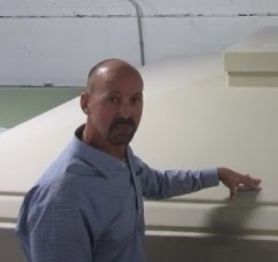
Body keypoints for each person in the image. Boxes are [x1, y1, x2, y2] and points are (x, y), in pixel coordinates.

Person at [15, 58, 262, 262]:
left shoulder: (118, 157)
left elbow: (156, 183)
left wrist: (217, 174)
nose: (126, 113)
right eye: (113, 99)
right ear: (86, 103)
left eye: (135, 100)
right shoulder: (63, 199)